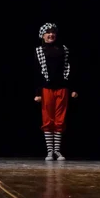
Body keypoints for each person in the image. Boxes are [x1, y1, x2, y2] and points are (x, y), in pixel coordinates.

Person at [34, 23, 78, 161]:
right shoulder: (39, 51)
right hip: (46, 89)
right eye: (47, 32)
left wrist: (72, 88)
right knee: (48, 119)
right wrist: (37, 92)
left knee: (60, 119)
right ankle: (49, 151)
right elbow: (35, 72)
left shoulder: (63, 49)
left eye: (53, 32)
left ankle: (57, 151)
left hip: (62, 88)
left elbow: (69, 68)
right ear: (43, 35)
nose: (51, 34)